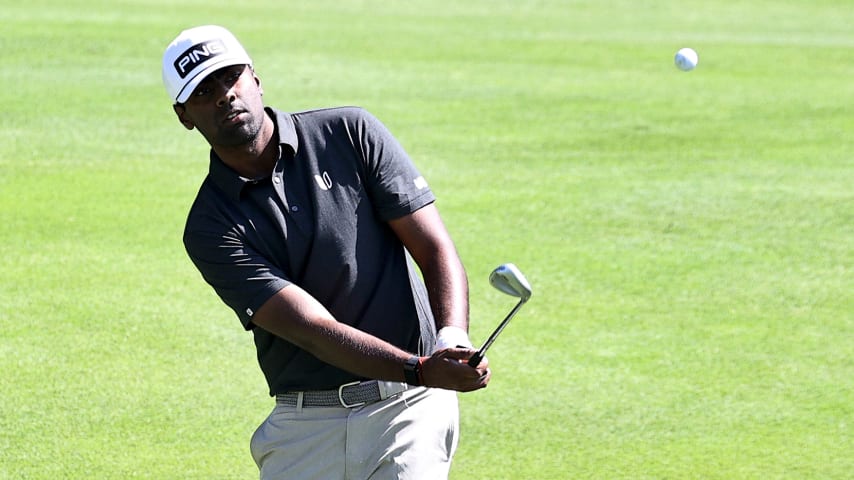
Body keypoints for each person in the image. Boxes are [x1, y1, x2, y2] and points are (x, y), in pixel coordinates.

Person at [161, 25, 491, 479]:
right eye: (202, 90)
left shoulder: (348, 133)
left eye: (230, 76)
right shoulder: (209, 226)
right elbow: (313, 329)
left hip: (407, 408)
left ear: (255, 78)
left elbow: (434, 247)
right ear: (183, 115)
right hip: (305, 424)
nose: (224, 95)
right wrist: (419, 368)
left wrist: (451, 337)